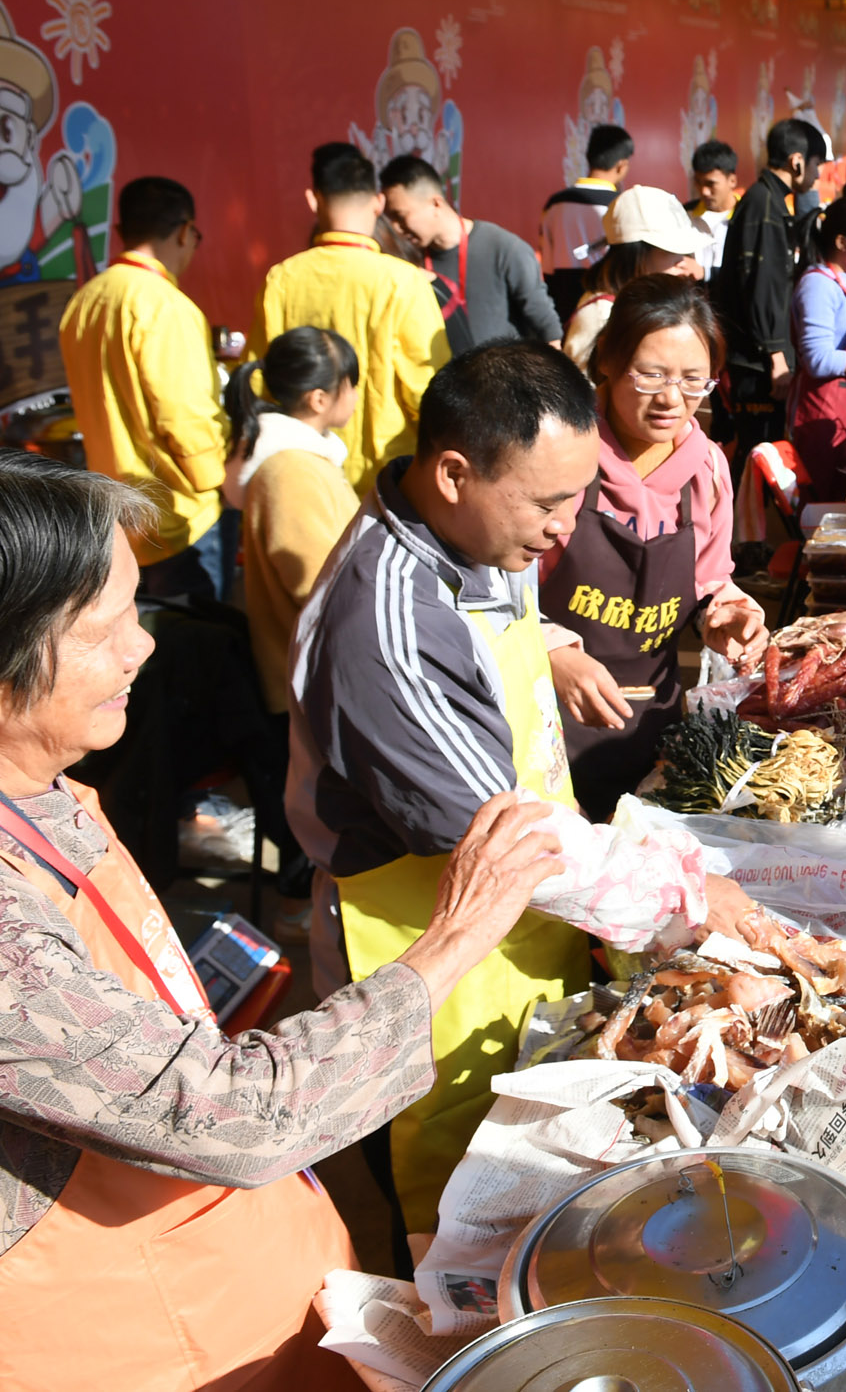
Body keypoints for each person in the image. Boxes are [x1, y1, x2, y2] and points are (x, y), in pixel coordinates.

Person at [0, 445, 578, 1390]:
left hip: (189, 1297)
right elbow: (227, 1116)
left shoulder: (4, 782)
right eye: (103, 627)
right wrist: (455, 936)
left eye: (134, 609)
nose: (142, 646)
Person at [287, 341, 750, 1233]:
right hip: (425, 941)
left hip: (528, 920)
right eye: (546, 501)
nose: (566, 526)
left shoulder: (476, 532)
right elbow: (505, 840)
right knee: (451, 1201)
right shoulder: (387, 622)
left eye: (577, 494)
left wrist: (558, 643)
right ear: (455, 472)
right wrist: (686, 892)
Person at [543, 281, 771, 817]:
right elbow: (500, 594)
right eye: (651, 374)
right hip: (551, 726)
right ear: (608, 361)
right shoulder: (562, 459)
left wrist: (727, 614)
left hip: (655, 725)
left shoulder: (708, 470)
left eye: (694, 380)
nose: (673, 399)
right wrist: (549, 651)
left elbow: (711, 580)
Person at [57, 175, 230, 605]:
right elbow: (184, 415)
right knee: (197, 647)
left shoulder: (86, 299)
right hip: (179, 514)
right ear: (186, 231)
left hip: (118, 512)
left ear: (120, 233)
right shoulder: (166, 305)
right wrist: (220, 481)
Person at [255, 142, 450, 496]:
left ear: (314, 200)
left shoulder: (281, 279)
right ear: (378, 203)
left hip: (302, 472)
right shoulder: (403, 282)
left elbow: (262, 382)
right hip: (386, 479)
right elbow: (428, 392)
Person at [224, 325, 361, 717]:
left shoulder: (300, 460)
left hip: (314, 675)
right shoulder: (291, 472)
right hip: (311, 684)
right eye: (350, 384)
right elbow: (316, 582)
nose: (354, 395)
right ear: (319, 399)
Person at [711, 117, 825, 447]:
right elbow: (764, 287)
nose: (817, 175)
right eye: (816, 164)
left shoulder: (766, 200)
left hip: (757, 358)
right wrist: (777, 358)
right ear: (797, 161)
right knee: (758, 452)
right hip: (759, 365)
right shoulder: (765, 204)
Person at [381, 154, 561, 355]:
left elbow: (546, 327)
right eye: (390, 220)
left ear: (436, 204)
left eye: (400, 216)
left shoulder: (505, 249)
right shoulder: (408, 262)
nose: (396, 228)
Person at [561, 185, 710, 371]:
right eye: (672, 250)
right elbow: (586, 394)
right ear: (636, 255)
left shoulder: (642, 305)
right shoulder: (601, 316)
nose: (682, 262)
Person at [789, 194, 846, 504]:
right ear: (843, 241)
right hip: (820, 409)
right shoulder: (818, 285)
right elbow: (818, 359)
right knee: (822, 506)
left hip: (844, 409)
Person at [538, 123, 633, 326]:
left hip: (562, 305)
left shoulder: (555, 204)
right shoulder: (622, 205)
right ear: (621, 165)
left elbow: (546, 265)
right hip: (607, 308)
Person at [688, 138, 740, 290]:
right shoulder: (685, 215)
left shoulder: (747, 219)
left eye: (711, 184)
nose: (704, 191)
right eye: (698, 182)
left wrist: (706, 272)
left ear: (732, 180)